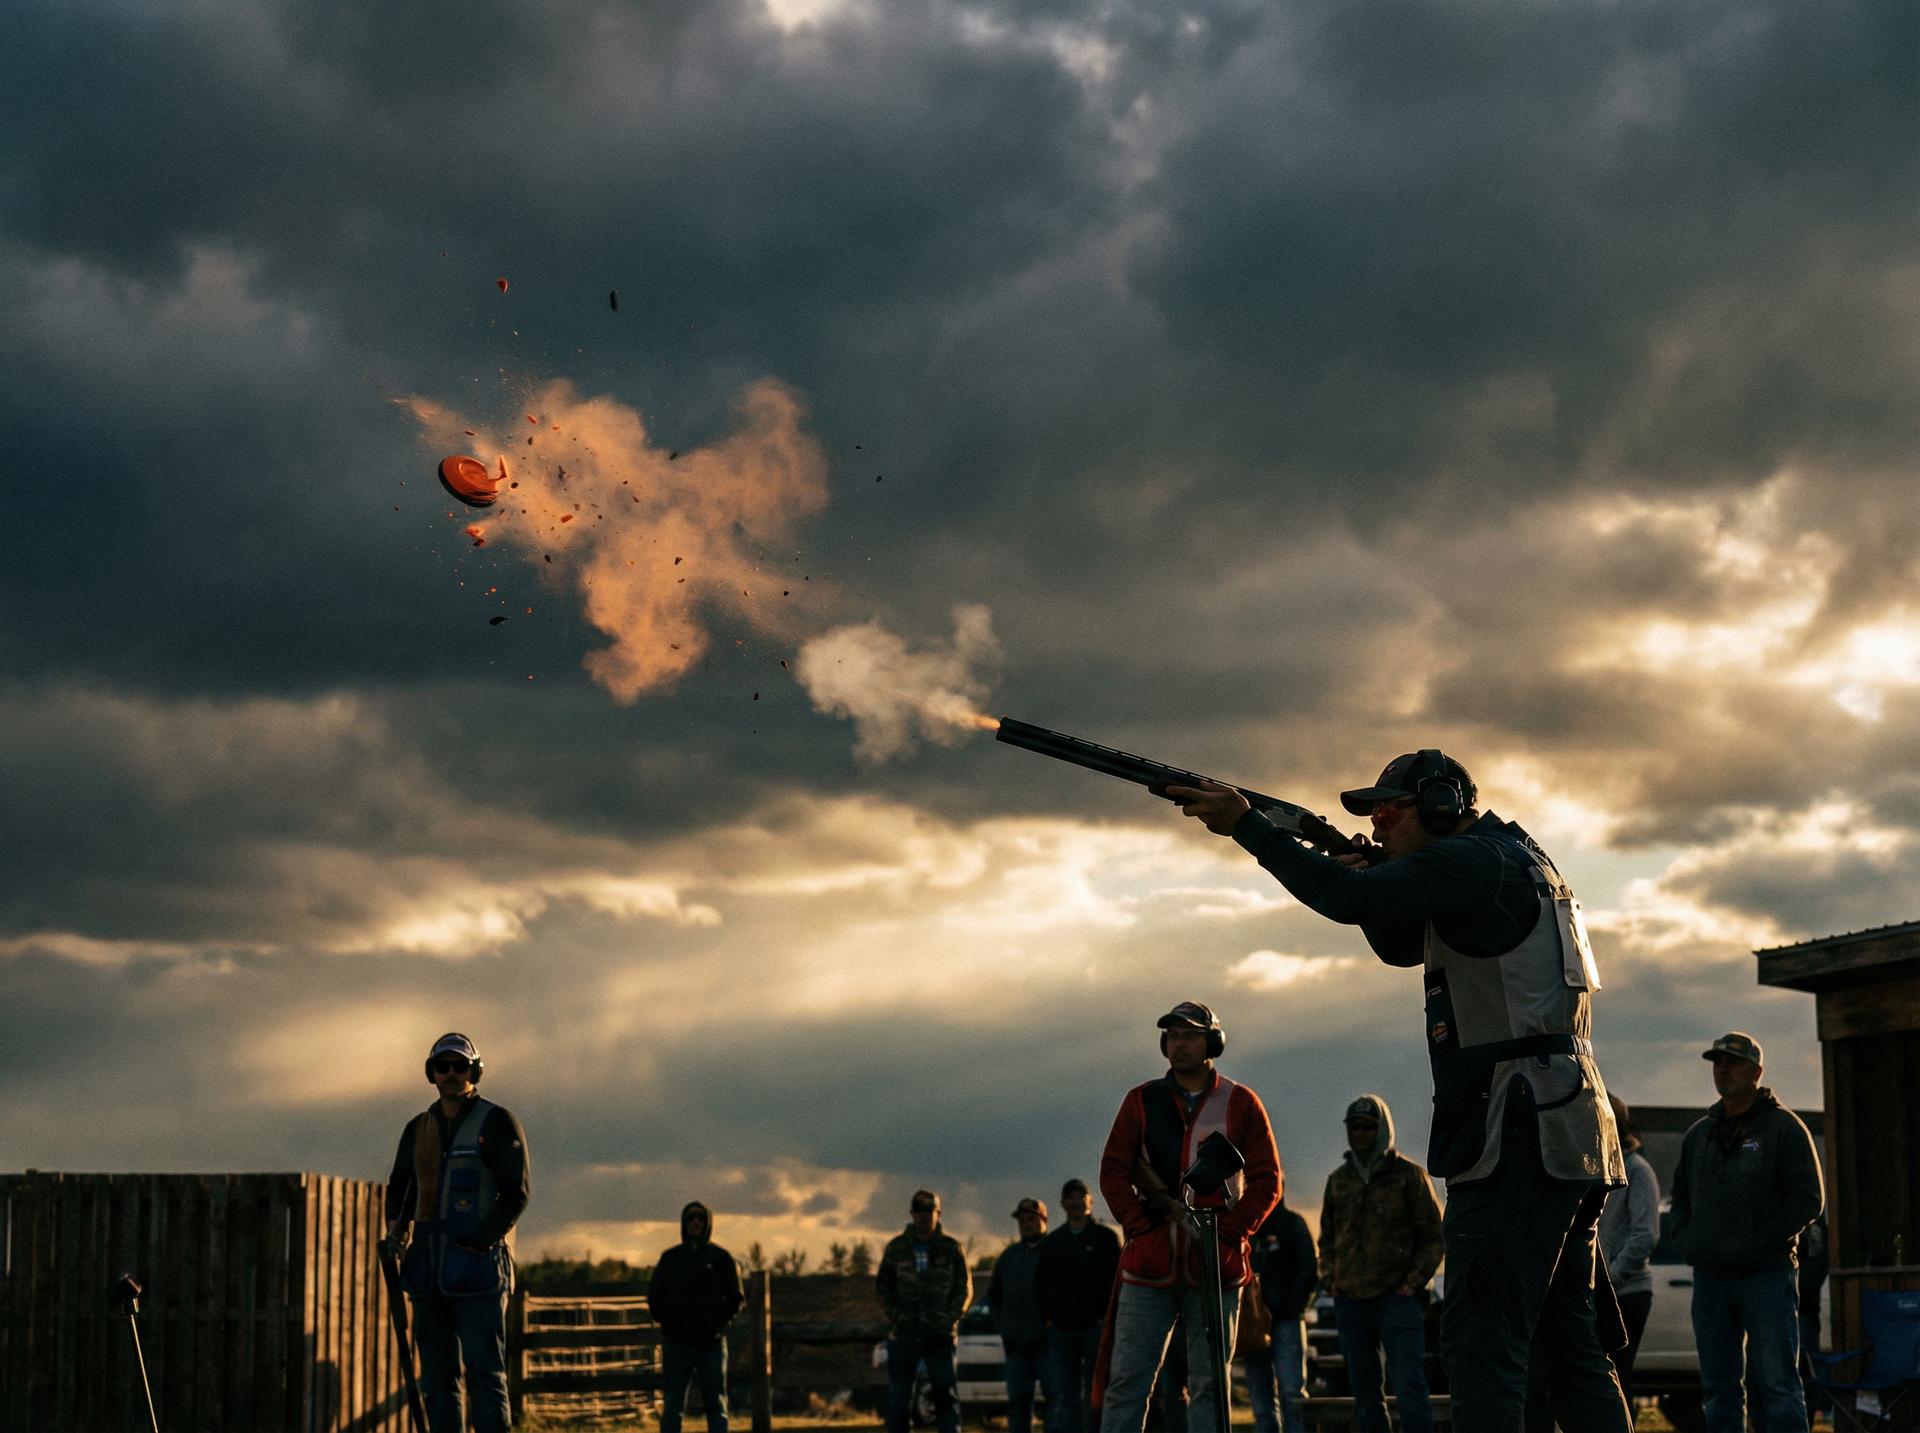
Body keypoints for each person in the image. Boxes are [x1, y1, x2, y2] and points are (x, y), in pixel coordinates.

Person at [1172, 751, 1631, 1433]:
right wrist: (1373, 878)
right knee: (1565, 1345)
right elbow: (1396, 941)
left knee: (1481, 1343)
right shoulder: (1508, 857)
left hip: (1517, 1127)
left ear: (1443, 805)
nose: (1378, 824)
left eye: (1390, 810)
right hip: (1561, 1125)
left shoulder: (1475, 859)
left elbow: (1349, 899)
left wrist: (1252, 828)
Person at [1097, 1001, 1281, 1433]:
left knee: (1210, 1387)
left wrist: (1230, 1234)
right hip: (1149, 1266)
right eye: (1173, 1036)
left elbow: (1267, 1179)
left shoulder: (1240, 1102)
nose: (1179, 1044)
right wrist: (1140, 1229)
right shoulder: (1140, 1101)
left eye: (1190, 1035)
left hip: (1216, 1266)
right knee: (1127, 1383)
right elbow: (1113, 1172)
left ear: (1212, 1042)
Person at [1668, 1032, 1824, 1433]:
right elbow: (1680, 1197)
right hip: (1711, 1280)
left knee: (1777, 1385)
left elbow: (1809, 1199)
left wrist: (1760, 1241)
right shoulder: (1698, 1135)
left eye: (1733, 1063)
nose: (1723, 1070)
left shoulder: (1784, 1129)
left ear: (1757, 1071)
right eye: (1718, 1063)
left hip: (1766, 1276)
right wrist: (1690, 1240)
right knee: (1718, 1390)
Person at [383, 1032, 530, 1433]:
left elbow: (516, 1194)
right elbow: (399, 1188)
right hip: (428, 1274)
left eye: (459, 1065)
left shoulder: (497, 1121)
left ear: (474, 1071)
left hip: (479, 1273)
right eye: (442, 1066)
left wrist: (479, 1241)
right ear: (431, 1074)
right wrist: (396, 1233)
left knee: (486, 1378)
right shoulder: (418, 1128)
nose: (451, 1073)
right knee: (437, 1381)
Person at [1318, 1094, 1443, 1433]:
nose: (1360, 1133)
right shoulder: (1338, 1180)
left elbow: (1433, 1236)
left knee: (1409, 1387)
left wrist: (1412, 1284)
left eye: (1368, 1127)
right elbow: (1327, 1237)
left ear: (1383, 1129)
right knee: (1365, 1393)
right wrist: (1331, 1278)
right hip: (1351, 1301)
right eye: (1354, 1127)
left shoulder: (1409, 1177)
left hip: (1397, 1302)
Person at [878, 1189, 973, 1433]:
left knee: (946, 1397)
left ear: (938, 1214)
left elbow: (964, 1288)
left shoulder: (951, 1248)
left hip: (939, 1336)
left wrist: (949, 1318)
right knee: (899, 1399)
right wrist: (896, 1316)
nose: (924, 1216)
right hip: (904, 1336)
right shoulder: (897, 1248)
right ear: (912, 1213)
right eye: (919, 1211)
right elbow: (883, 1287)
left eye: (929, 1211)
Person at [649, 1201, 745, 1433]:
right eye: (691, 1218)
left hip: (710, 1344)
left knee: (716, 1404)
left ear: (708, 1223)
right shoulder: (670, 1259)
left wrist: (718, 1325)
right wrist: (669, 1325)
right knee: (673, 1404)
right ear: (684, 1223)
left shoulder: (721, 1259)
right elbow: (655, 1296)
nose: (695, 1223)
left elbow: (736, 1298)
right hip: (677, 1344)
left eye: (700, 1218)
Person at [1038, 1177, 1122, 1433]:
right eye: (1070, 1198)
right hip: (1061, 1330)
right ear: (1063, 1203)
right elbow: (1040, 1284)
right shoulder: (1053, 1242)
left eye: (1080, 1196)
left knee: (1096, 1394)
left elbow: (1117, 1282)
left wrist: (1105, 1318)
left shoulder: (1106, 1239)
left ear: (1090, 1201)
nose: (1076, 1202)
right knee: (1066, 1395)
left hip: (1095, 1329)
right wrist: (1048, 1318)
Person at [1598, 1094, 1660, 1409]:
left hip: (1626, 1294)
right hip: (1600, 1294)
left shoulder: (1637, 1170)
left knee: (1616, 1379)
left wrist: (1609, 1279)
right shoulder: (1595, 1170)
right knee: (1601, 1382)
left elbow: (1645, 1234)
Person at [1246, 1199, 1317, 1433]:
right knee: (1265, 1395)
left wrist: (1291, 1306)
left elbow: (1308, 1269)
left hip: (1280, 1318)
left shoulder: (1289, 1225)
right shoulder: (1251, 1226)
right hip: (1257, 1321)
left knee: (1288, 1392)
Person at [992, 1197, 1054, 1433]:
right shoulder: (1009, 1257)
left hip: (1048, 1344)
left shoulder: (1054, 1251)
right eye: (1023, 1220)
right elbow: (994, 1296)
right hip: (1016, 1345)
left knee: (1055, 1401)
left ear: (1044, 1220)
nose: (1027, 1224)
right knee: (1018, 1403)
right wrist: (1003, 1325)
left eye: (1032, 1218)